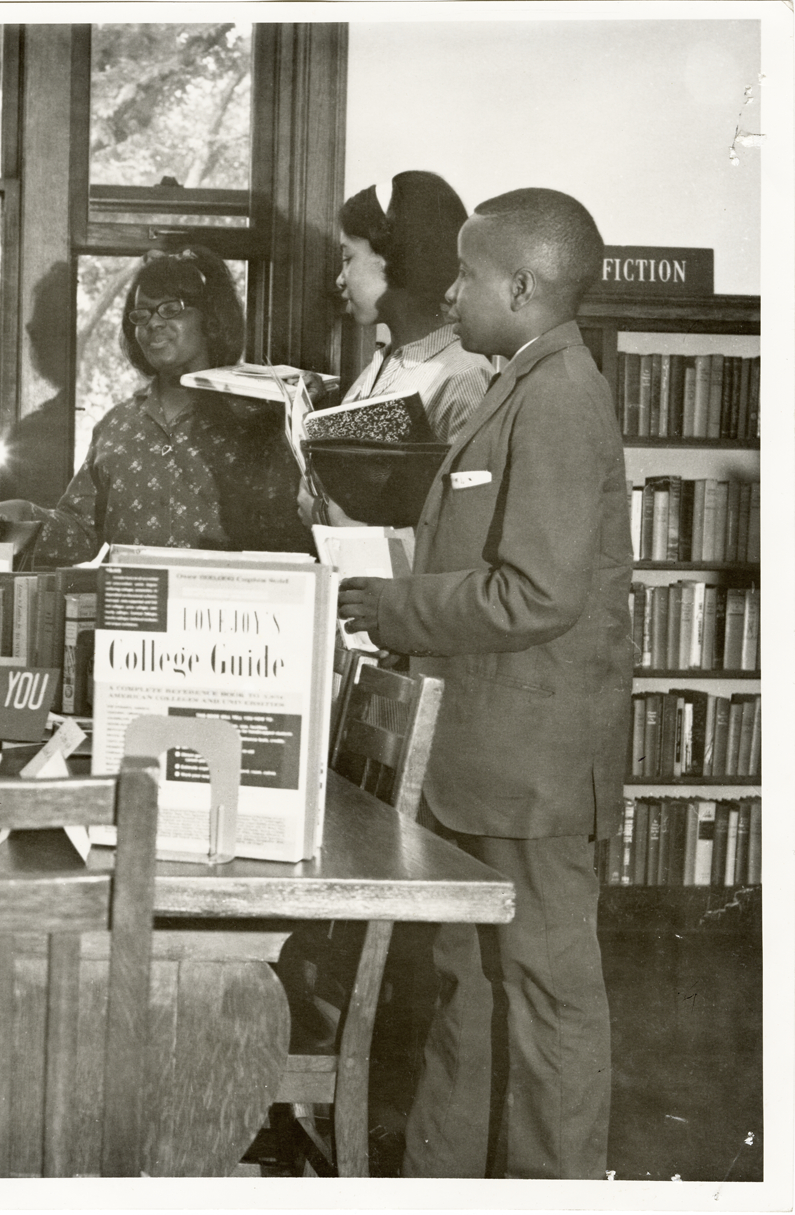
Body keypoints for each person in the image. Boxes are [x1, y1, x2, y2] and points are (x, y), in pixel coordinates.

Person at [336, 188, 633, 1179]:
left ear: (518, 283)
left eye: (465, 275)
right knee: (473, 991)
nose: (449, 291)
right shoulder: (519, 380)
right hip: (489, 759)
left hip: (531, 768)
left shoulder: (558, 393)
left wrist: (392, 609)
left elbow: (535, 594)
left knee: (548, 1001)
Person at [0, 246, 311, 565]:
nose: (153, 323)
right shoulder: (117, 425)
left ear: (210, 317)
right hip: (132, 609)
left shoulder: (256, 418)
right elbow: (81, 532)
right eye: (141, 315)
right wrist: (27, 515)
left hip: (225, 611)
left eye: (171, 309)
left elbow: (288, 531)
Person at [300, 171, 495, 528]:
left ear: (394, 257)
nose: (339, 279)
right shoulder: (385, 360)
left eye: (348, 258)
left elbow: (461, 530)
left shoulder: (464, 374)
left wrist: (330, 519)